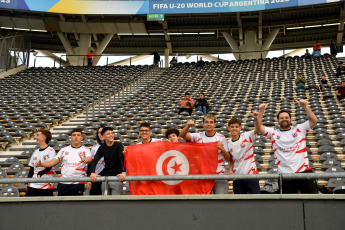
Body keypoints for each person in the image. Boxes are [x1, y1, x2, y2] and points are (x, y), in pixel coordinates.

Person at [256, 100, 318, 194]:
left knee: (312, 200)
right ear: (278, 121)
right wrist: (261, 111)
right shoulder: (273, 133)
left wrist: (305, 106)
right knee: (289, 203)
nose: (284, 119)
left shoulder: (299, 129)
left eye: (286, 117)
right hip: (285, 174)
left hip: (303, 171)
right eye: (281, 118)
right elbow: (259, 127)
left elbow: (314, 120)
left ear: (291, 119)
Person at [180, 114, 230, 194]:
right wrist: (188, 126)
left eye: (211, 122)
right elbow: (182, 135)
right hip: (203, 173)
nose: (209, 124)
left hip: (219, 173)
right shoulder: (198, 136)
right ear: (203, 124)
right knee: (205, 201)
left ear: (214, 124)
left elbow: (228, 158)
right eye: (206, 122)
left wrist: (222, 149)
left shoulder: (221, 138)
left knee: (221, 200)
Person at [36, 128, 92, 196]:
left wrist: (86, 159)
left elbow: (90, 159)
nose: (76, 137)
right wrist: (42, 164)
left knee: (76, 205)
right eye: (74, 135)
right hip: (63, 183)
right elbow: (52, 162)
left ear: (81, 138)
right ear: (71, 137)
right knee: (62, 205)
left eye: (78, 135)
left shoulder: (85, 150)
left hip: (77, 183)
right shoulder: (64, 150)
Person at [217, 118, 260, 194]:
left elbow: (257, 129)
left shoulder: (247, 136)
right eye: (232, 127)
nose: (234, 129)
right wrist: (230, 169)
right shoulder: (228, 143)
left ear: (240, 128)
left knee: (256, 200)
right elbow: (231, 159)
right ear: (229, 128)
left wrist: (257, 118)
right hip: (237, 177)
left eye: (236, 127)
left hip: (251, 175)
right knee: (240, 203)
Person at [90, 127, 126, 195]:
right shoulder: (102, 148)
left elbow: (122, 158)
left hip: (117, 178)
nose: (111, 135)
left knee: (115, 202)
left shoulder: (118, 145)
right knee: (105, 201)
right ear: (103, 136)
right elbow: (95, 161)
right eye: (108, 134)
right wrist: (92, 172)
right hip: (106, 179)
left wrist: (123, 172)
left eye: (112, 133)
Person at [26, 130, 55, 196]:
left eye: (37, 135)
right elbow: (32, 169)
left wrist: (41, 173)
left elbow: (50, 166)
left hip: (46, 184)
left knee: (45, 205)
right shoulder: (35, 152)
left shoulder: (50, 150)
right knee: (28, 204)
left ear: (43, 138)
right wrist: (27, 181)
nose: (35, 137)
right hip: (33, 184)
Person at [86, 127, 105, 195]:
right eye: (99, 132)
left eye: (103, 132)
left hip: (106, 178)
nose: (101, 134)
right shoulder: (94, 148)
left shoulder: (113, 147)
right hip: (95, 178)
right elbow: (90, 164)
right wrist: (89, 179)